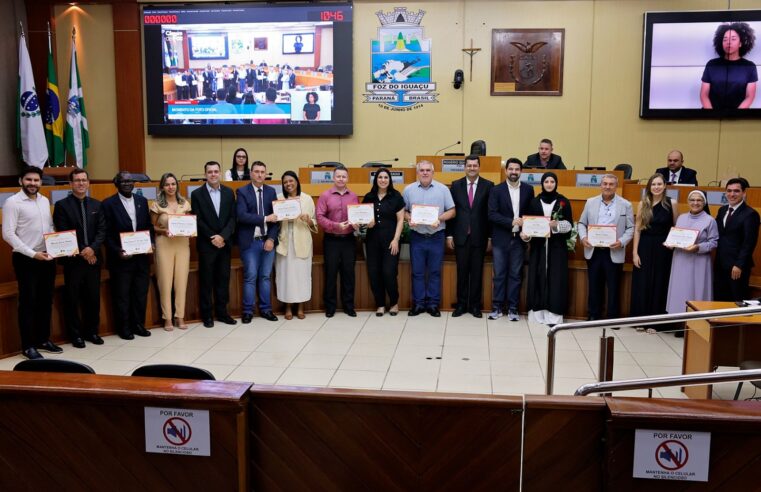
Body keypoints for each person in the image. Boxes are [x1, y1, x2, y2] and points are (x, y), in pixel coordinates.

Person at [1, 166, 61, 359]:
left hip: (47, 257)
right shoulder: (13, 202)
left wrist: (56, 247)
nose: (33, 184)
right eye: (29, 180)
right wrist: (32, 254)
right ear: (21, 181)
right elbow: (8, 234)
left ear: (41, 182)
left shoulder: (44, 201)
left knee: (45, 300)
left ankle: (43, 339)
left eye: (36, 180)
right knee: (28, 302)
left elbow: (49, 227)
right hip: (26, 259)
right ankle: (28, 345)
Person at [53, 168, 106, 348]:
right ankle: (75, 335)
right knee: (72, 299)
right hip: (73, 261)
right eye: (77, 180)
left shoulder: (97, 205)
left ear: (89, 183)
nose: (81, 183)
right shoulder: (62, 206)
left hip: (93, 260)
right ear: (70, 184)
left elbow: (102, 231)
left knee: (93, 298)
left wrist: (93, 248)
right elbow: (63, 232)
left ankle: (92, 332)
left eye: (84, 180)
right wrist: (85, 251)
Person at [102, 171, 155, 340]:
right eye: (123, 181)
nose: (127, 183)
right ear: (116, 183)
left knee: (140, 293)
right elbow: (106, 234)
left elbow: (148, 227)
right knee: (122, 295)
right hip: (121, 259)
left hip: (141, 257)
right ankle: (124, 328)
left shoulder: (142, 201)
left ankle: (138, 324)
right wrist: (117, 250)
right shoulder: (108, 204)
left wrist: (151, 242)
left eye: (130, 181)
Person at [402, 160, 456, 317]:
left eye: (428, 170)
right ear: (418, 173)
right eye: (422, 170)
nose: (425, 173)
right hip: (417, 236)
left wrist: (439, 219)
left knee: (434, 272)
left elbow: (452, 211)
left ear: (433, 172)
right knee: (417, 272)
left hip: (436, 236)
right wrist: (409, 218)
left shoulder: (443, 189)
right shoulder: (409, 190)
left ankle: (432, 304)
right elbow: (403, 211)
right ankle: (418, 304)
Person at [577, 174, 634, 321]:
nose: (608, 187)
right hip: (594, 250)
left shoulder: (625, 204)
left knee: (614, 287)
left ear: (616, 186)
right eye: (605, 184)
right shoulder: (590, 202)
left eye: (611, 184)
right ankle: (593, 315)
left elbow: (630, 228)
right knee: (594, 285)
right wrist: (583, 238)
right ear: (600, 185)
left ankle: (612, 317)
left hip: (614, 250)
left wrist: (621, 242)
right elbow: (581, 223)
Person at [521, 172, 573, 325]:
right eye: (546, 181)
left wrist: (557, 226)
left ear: (556, 183)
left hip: (557, 248)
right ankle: (537, 315)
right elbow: (529, 225)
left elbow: (569, 225)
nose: (549, 184)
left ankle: (553, 316)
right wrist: (526, 236)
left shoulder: (563, 201)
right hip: (538, 248)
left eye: (552, 181)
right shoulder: (534, 202)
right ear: (542, 184)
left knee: (556, 279)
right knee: (537, 277)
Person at [446, 155, 494, 318]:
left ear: (479, 167)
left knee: (477, 273)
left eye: (475, 165)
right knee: (462, 272)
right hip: (460, 236)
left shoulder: (489, 186)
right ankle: (461, 305)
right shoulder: (456, 185)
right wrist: (450, 235)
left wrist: (489, 237)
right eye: (469, 165)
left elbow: (490, 215)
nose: (472, 168)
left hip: (480, 237)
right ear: (464, 167)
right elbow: (452, 211)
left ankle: (474, 306)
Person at [191, 161, 238, 328]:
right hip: (207, 245)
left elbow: (233, 219)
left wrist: (223, 237)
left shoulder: (228, 192)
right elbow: (198, 220)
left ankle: (222, 313)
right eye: (209, 172)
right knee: (206, 280)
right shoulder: (196, 194)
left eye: (216, 171)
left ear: (219, 173)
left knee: (223, 280)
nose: (213, 174)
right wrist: (213, 237)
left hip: (224, 244)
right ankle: (207, 315)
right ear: (205, 174)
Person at [666, 190, 719, 336]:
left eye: (699, 200)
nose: (695, 203)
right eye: (692, 200)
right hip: (681, 259)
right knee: (680, 291)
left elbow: (713, 243)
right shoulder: (681, 217)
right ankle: (681, 323)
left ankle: (696, 325)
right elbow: (676, 236)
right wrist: (671, 243)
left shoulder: (710, 220)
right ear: (688, 202)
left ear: (704, 202)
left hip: (699, 261)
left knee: (696, 291)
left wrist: (698, 247)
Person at [488, 157, 535, 321]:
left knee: (516, 275)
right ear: (506, 170)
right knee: (499, 274)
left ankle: (513, 308)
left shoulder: (529, 190)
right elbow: (492, 214)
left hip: (519, 240)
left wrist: (526, 229)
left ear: (521, 171)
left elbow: (531, 214)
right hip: (501, 239)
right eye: (511, 169)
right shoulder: (496, 190)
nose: (514, 172)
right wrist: (511, 222)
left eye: (517, 169)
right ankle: (497, 307)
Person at [630, 174, 678, 332]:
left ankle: (655, 323)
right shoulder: (643, 203)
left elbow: (675, 227)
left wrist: (672, 243)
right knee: (642, 283)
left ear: (665, 186)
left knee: (659, 283)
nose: (656, 187)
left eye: (659, 184)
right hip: (644, 245)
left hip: (663, 248)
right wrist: (635, 253)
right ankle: (640, 320)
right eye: (653, 184)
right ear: (649, 187)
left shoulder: (672, 203)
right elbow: (637, 229)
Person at [237, 161, 279, 323]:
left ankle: (266, 309)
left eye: (263, 172)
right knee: (250, 277)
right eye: (256, 171)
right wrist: (264, 218)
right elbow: (242, 216)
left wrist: (271, 239)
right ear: (251, 173)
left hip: (267, 241)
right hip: (250, 242)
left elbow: (276, 220)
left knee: (265, 277)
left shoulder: (271, 192)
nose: (260, 174)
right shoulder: (242, 192)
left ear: (265, 173)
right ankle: (247, 311)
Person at [150, 172, 192, 331]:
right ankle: (167, 318)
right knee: (165, 282)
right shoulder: (156, 205)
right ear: (162, 186)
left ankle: (180, 316)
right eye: (167, 184)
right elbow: (152, 227)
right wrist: (163, 231)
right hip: (164, 244)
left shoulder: (184, 204)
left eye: (173, 184)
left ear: (177, 185)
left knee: (181, 282)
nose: (170, 187)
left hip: (182, 245)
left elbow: (188, 222)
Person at [316, 165, 359, 317]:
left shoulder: (353, 196)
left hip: (348, 240)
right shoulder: (325, 196)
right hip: (331, 240)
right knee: (331, 273)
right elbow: (319, 217)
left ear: (347, 178)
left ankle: (349, 306)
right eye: (338, 176)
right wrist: (336, 226)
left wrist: (357, 224)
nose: (341, 179)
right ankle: (330, 307)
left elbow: (358, 216)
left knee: (349, 274)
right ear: (333, 178)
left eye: (344, 176)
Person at [362, 168, 405, 317]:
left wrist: (396, 239)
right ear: (376, 180)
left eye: (386, 177)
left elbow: (400, 220)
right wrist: (367, 223)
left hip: (390, 242)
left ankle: (394, 303)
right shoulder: (369, 197)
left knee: (389, 272)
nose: (383, 180)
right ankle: (380, 304)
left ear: (390, 180)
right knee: (374, 273)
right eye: (380, 177)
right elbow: (361, 219)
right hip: (372, 241)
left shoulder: (396, 196)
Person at [276, 171, 317, 320]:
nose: (288, 184)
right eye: (285, 182)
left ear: (297, 181)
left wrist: (308, 220)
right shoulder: (279, 199)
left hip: (302, 240)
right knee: (285, 275)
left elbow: (315, 221)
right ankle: (287, 307)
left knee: (302, 275)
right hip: (284, 241)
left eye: (291, 181)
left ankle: (300, 307)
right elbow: (275, 221)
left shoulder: (307, 199)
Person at [714, 177, 760, 302]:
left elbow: (749, 243)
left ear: (744, 193)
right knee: (719, 299)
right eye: (729, 191)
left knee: (736, 299)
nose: (732, 194)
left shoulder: (751, 214)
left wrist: (739, 264)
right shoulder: (722, 210)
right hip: (720, 263)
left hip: (737, 267)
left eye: (736, 191)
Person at [701, 22, 757, 110]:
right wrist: (711, 115)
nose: (728, 42)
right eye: (725, 39)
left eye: (733, 39)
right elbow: (704, 95)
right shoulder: (711, 64)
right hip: (710, 117)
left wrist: (735, 116)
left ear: (740, 43)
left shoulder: (750, 67)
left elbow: (750, 97)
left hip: (739, 118)